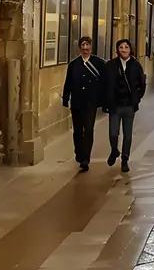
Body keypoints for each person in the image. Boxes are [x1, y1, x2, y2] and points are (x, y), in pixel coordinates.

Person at [62, 36, 107, 173]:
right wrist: (65, 98)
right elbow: (68, 82)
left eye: (87, 45)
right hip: (76, 102)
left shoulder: (99, 63)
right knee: (77, 130)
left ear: (91, 47)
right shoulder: (74, 64)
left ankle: (85, 158)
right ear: (80, 47)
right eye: (83, 45)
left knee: (88, 129)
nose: (85, 48)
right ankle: (79, 153)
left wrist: (104, 101)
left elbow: (104, 83)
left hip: (90, 103)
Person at [106, 39, 146, 173]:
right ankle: (114, 150)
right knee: (113, 132)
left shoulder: (135, 65)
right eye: (121, 47)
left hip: (129, 105)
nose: (123, 50)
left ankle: (125, 159)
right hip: (115, 104)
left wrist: (137, 98)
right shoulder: (111, 65)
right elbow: (105, 85)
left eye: (126, 47)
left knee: (127, 134)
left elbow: (142, 83)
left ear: (130, 49)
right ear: (117, 50)